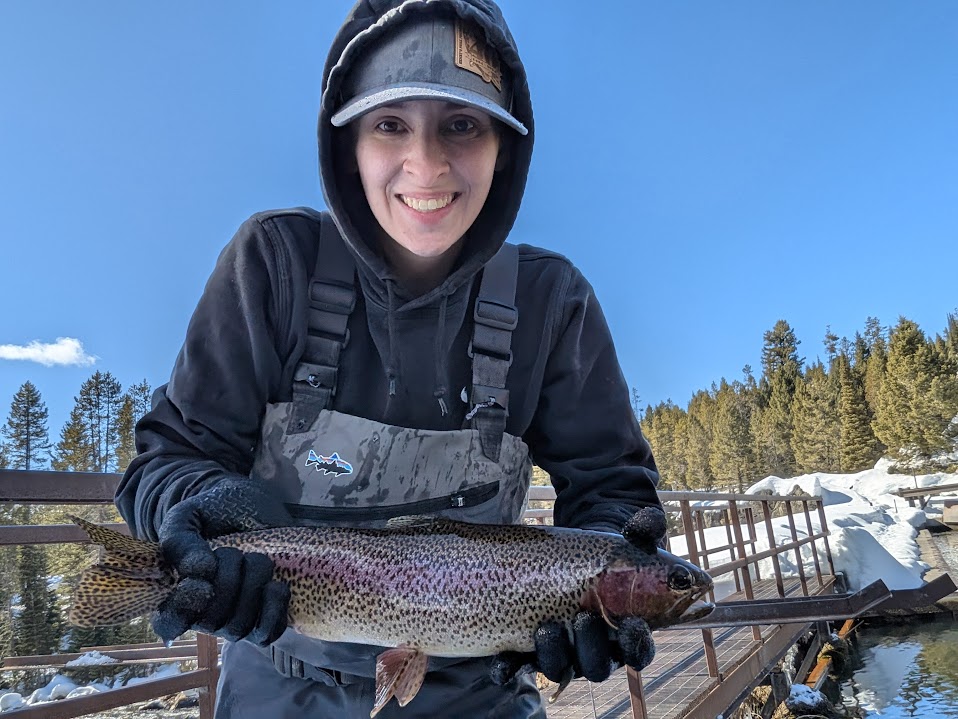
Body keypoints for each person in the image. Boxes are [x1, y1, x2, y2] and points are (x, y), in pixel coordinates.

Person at [115, 1, 666, 716]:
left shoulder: (552, 302)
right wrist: (199, 514)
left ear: (505, 146)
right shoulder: (272, 265)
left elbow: (613, 491)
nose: (426, 163)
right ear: (347, 142)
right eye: (390, 124)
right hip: (276, 683)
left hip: (481, 692)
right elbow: (165, 463)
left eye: (461, 125)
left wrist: (608, 563)